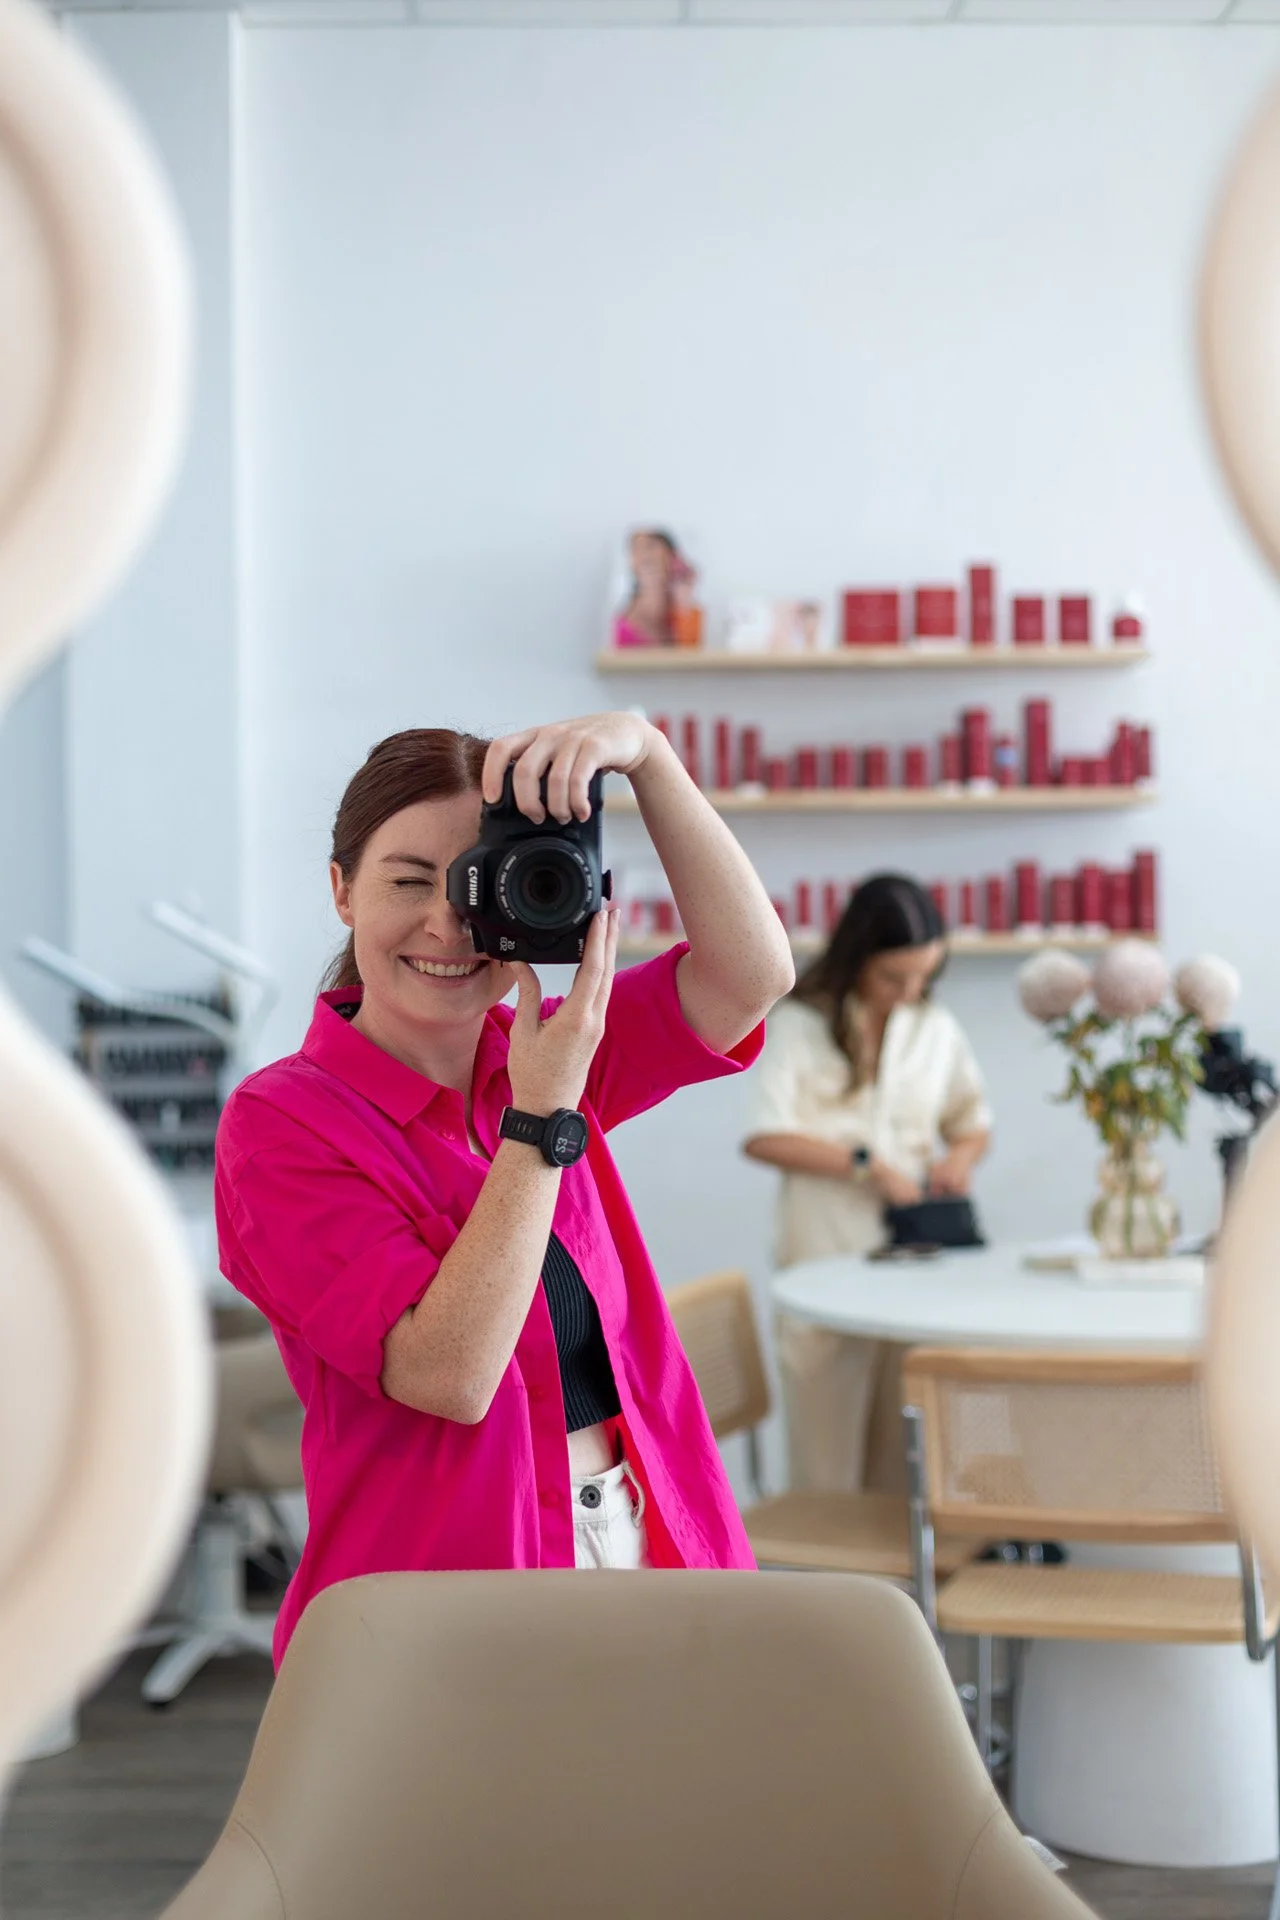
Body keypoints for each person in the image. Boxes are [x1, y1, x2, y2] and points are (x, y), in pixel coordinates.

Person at [215, 712, 794, 1662]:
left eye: (475, 884)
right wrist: (541, 1122)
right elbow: (448, 1376)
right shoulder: (281, 1125)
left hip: (648, 1543)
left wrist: (648, 757)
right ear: (342, 891)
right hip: (442, 1605)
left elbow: (752, 974)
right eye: (407, 880)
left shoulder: (546, 1053)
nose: (446, 923)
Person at [742, 874, 991, 1495]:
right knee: (826, 1463)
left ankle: (899, 1588)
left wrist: (958, 1161)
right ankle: (831, 1590)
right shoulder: (798, 1023)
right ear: (858, 960)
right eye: (893, 978)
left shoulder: (934, 1027)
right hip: (823, 1253)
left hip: (915, 1265)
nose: (909, 993)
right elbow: (764, 1137)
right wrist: (867, 1165)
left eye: (922, 978)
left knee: (907, 1454)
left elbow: (972, 1122)